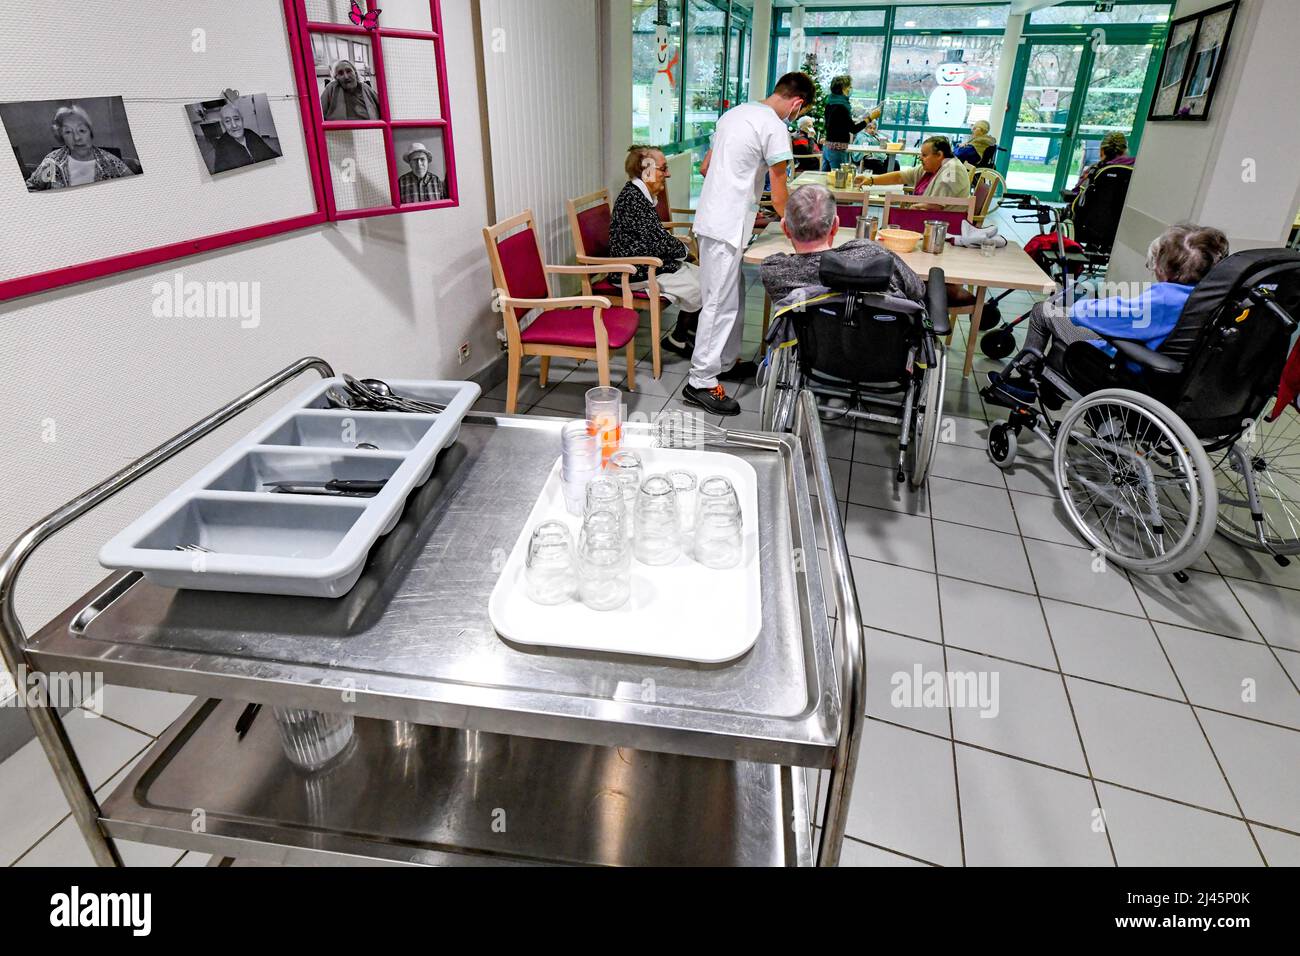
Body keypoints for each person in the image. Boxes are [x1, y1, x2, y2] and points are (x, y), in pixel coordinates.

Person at [984, 223, 1230, 408]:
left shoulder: (1165, 299)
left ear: (1165, 266)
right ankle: (1048, 386)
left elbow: (1084, 316)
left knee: (1043, 311)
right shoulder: (1212, 300)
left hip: (1124, 368)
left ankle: (1026, 380)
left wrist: (1093, 305)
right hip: (1179, 381)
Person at [685, 71, 815, 416]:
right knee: (718, 303)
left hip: (714, 219)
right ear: (797, 103)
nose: (796, 117)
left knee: (733, 295)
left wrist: (740, 192)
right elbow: (779, 189)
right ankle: (700, 381)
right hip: (726, 225)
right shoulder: (774, 126)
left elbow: (705, 167)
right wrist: (795, 228)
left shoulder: (735, 114)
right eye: (799, 113)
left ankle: (725, 362)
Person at [760, 184, 924, 307]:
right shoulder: (872, 255)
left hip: (810, 350)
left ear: (785, 228)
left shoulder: (775, 270)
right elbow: (917, 290)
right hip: (879, 346)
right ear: (836, 225)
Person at [609, 146, 702, 357]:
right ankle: (680, 338)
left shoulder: (639, 195)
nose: (667, 174)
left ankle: (683, 335)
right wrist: (685, 252)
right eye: (664, 169)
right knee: (699, 286)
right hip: (633, 270)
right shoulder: (633, 199)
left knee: (706, 279)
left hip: (647, 262)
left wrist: (683, 252)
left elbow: (656, 239)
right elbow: (658, 243)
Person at [25, 104, 135, 190]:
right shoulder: (52, 163)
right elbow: (32, 188)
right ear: (61, 137)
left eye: (82, 130)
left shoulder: (111, 162)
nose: (77, 138)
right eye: (68, 132)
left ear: (90, 132)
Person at [858, 134, 971, 202]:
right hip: (928, 217)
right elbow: (899, 177)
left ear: (939, 155)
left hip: (943, 224)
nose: (920, 158)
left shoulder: (952, 171)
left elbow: (935, 206)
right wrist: (871, 180)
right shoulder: (932, 167)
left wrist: (909, 210)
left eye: (925, 155)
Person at [210, 103, 281, 172]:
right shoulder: (221, 146)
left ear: (242, 120)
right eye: (227, 121)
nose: (234, 125)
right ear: (223, 125)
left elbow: (270, 154)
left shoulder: (250, 133)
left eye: (237, 119)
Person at [821, 75, 871, 172]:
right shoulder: (842, 107)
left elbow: (834, 125)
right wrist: (869, 119)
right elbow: (854, 129)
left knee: (825, 179)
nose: (850, 89)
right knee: (838, 180)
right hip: (837, 150)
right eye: (849, 86)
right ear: (843, 88)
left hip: (828, 148)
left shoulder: (830, 103)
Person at [1068, 130, 1136, 197]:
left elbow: (1077, 193)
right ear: (1125, 149)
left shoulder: (1095, 169)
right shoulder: (1135, 168)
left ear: (1102, 150)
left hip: (1094, 207)